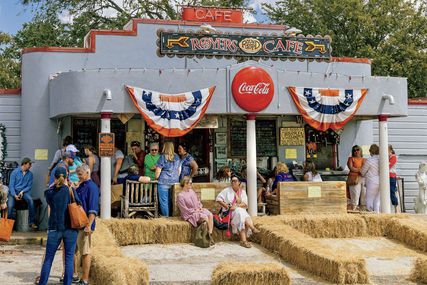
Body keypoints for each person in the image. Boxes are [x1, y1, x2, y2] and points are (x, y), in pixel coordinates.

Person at [38, 167, 79, 285]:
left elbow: (51, 200)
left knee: (48, 259)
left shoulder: (49, 193)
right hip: (70, 228)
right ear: (66, 178)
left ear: (55, 178)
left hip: (55, 228)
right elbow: (79, 203)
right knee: (69, 260)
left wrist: (54, 184)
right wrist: (69, 186)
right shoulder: (70, 190)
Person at [216, 175, 260, 248]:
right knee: (242, 214)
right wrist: (227, 206)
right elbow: (218, 199)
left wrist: (236, 206)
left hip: (239, 212)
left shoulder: (242, 192)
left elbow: (245, 204)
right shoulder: (227, 190)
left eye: (235, 181)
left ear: (239, 182)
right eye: (232, 181)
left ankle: (244, 241)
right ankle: (252, 228)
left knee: (241, 214)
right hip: (229, 213)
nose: (233, 182)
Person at [75, 164, 100, 285]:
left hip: (85, 225)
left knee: (85, 253)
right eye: (77, 174)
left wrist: (89, 225)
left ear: (87, 173)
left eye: (80, 174)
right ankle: (75, 275)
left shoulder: (92, 187)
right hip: (76, 224)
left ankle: (85, 279)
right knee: (74, 252)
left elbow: (93, 209)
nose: (78, 177)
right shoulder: (81, 186)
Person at [7, 157, 37, 229]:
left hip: (23, 192)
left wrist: (22, 192)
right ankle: (9, 226)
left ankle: (31, 222)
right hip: (13, 192)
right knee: (10, 206)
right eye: (29, 164)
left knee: (30, 200)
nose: (31, 166)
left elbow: (29, 186)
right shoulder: (15, 172)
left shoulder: (30, 174)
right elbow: (11, 185)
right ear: (24, 164)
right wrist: (14, 195)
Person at [155, 142, 181, 217]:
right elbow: (179, 170)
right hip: (174, 181)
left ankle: (166, 218)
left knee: (164, 201)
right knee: (172, 200)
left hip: (163, 181)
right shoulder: (177, 157)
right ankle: (172, 217)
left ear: (164, 147)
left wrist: (156, 178)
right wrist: (175, 177)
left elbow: (158, 171)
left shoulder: (162, 157)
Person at [361, 144, 380, 213]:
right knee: (377, 201)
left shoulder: (370, 160)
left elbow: (363, 171)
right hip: (381, 181)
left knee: (369, 199)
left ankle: (371, 215)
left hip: (372, 181)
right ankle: (377, 215)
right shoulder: (381, 159)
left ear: (371, 151)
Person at [347, 145, 366, 211]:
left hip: (363, 178)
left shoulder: (364, 159)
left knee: (364, 195)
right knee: (355, 195)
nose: (356, 151)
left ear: (360, 151)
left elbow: (365, 168)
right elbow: (351, 168)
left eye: (358, 150)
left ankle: (363, 210)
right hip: (353, 178)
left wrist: (359, 170)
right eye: (354, 150)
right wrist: (360, 170)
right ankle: (354, 210)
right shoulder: (351, 158)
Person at [389, 145, 399, 212]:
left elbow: (388, 166)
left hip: (391, 176)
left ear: (391, 151)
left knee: (392, 191)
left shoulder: (393, 157)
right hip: (387, 176)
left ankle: (396, 208)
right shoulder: (388, 157)